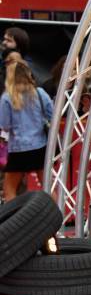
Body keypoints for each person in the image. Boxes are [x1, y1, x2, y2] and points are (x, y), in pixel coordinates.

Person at [0, 61, 53, 201]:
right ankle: (59, 218)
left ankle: (12, 222)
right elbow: (52, 114)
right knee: (48, 187)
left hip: (18, 148)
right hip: (40, 146)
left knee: (9, 189)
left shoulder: (7, 97)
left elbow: (4, 125)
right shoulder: (40, 93)